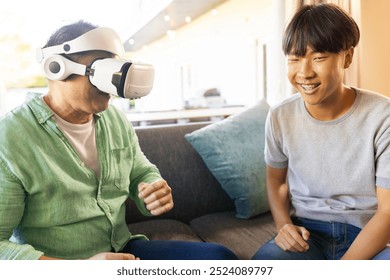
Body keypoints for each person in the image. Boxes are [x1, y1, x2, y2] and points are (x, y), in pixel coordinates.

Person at [0, 20, 237, 260]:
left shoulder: (114, 119)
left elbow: (140, 171)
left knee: (219, 258)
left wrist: (151, 188)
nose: (112, 85)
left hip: (122, 250)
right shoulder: (9, 138)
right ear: (56, 68)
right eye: (100, 71)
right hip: (62, 265)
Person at [252, 3, 390, 260]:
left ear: (347, 57)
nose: (304, 72)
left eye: (318, 58)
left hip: (370, 236)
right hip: (307, 234)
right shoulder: (280, 116)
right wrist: (284, 225)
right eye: (294, 59)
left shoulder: (383, 116)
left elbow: (387, 212)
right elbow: (275, 180)